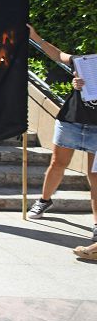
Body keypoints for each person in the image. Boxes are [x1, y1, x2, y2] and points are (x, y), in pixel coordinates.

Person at [26, 26, 97, 245]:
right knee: (58, 163)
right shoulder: (86, 62)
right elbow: (57, 54)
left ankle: (96, 226)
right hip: (72, 121)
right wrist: (36, 37)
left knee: (95, 176)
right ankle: (44, 200)